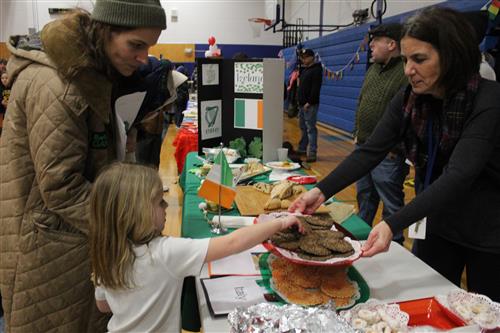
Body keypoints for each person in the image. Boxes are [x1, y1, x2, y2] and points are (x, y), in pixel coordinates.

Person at [290, 6, 500, 302]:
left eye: (420, 59)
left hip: (489, 235)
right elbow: (369, 151)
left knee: (486, 314)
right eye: (405, 59)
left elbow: (459, 174)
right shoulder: (410, 100)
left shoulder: (488, 100)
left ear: (451, 56)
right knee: (428, 303)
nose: (408, 70)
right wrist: (320, 191)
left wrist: (391, 222)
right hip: (438, 222)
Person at [0, 0, 167, 331]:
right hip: (48, 247)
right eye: (136, 45)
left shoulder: (92, 74)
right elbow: (62, 188)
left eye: (148, 47)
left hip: (71, 238)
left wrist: (120, 138)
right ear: (105, 32)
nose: (143, 57)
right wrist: (132, 222)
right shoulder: (58, 87)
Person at [89, 162, 303, 332]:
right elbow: (233, 243)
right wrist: (279, 223)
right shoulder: (165, 253)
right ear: (135, 214)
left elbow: (103, 306)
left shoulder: (106, 253)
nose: (165, 206)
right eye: (159, 202)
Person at [354, 23, 409, 244]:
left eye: (375, 42)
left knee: (391, 202)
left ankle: (393, 245)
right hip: (364, 146)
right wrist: (356, 132)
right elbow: (362, 101)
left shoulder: (405, 73)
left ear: (391, 44)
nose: (371, 47)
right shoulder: (373, 69)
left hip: (389, 153)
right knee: (365, 195)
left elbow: (409, 117)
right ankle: (360, 238)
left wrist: (398, 148)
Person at [297, 48, 323, 162]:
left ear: (311, 57)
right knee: (303, 127)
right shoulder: (305, 70)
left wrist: (309, 102)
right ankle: (302, 148)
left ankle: (312, 152)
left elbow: (315, 88)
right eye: (302, 57)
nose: (303, 59)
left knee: (310, 129)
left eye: (305, 57)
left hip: (309, 105)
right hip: (302, 105)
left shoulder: (316, 70)